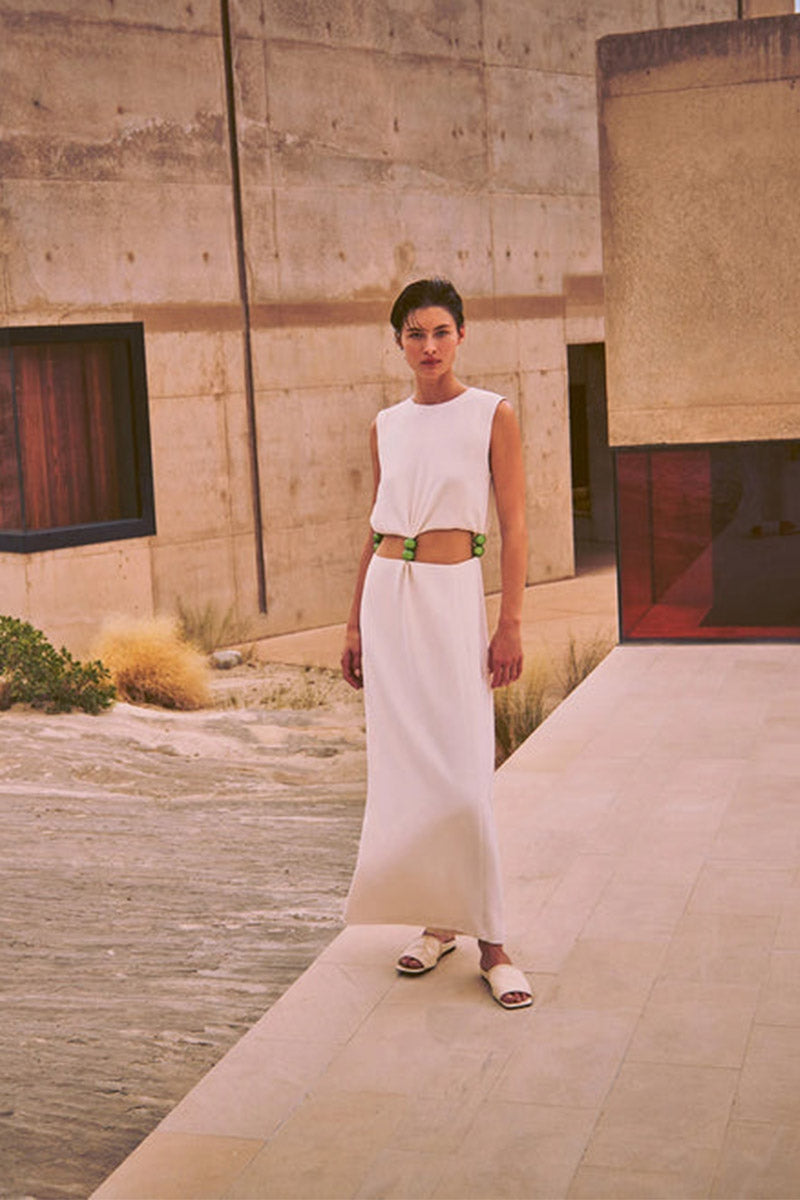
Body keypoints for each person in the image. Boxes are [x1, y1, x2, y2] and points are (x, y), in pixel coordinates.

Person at [340, 278, 531, 1009]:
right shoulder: (385, 424)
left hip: (453, 600)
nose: (429, 346)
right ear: (399, 342)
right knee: (410, 773)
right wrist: (354, 623)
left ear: (461, 335)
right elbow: (376, 524)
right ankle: (438, 924)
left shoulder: (492, 414)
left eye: (441, 332)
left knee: (463, 775)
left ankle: (495, 944)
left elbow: (515, 524)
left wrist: (510, 622)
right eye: (415, 334)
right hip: (388, 598)